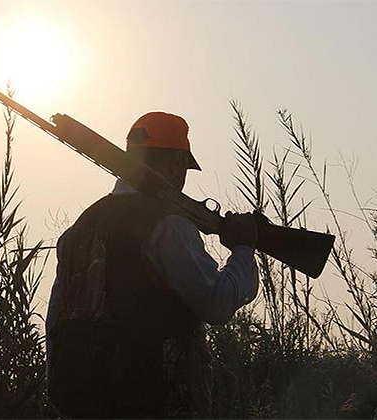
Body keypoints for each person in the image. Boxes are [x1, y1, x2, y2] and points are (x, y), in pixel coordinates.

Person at [45, 111, 260, 418]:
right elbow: (217, 304)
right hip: (156, 401)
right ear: (175, 163)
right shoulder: (168, 224)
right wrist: (243, 249)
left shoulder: (78, 230)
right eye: (184, 166)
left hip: (84, 405)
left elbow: (55, 325)